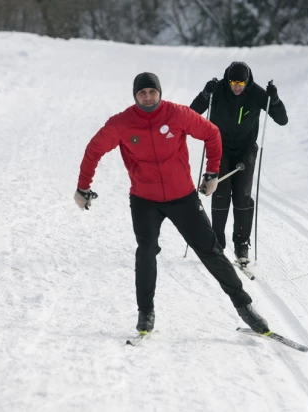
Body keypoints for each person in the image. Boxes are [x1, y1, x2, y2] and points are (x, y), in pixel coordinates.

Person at [74, 72, 269, 335]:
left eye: (152, 92)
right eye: (142, 93)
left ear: (159, 92)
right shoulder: (122, 123)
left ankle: (245, 307)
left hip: (183, 198)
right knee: (146, 252)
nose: (147, 97)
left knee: (210, 250)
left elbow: (212, 134)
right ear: (135, 96)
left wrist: (212, 173)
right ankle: (146, 313)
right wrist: (83, 186)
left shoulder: (176, 114)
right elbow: (94, 149)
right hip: (144, 200)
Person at [190, 61, 288, 266]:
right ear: (228, 80)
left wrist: (275, 99)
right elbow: (192, 113)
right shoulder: (218, 90)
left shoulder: (257, 93)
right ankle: (217, 242)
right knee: (221, 192)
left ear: (247, 81)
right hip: (220, 148)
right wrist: (205, 94)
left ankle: (242, 243)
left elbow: (282, 119)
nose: (237, 87)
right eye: (234, 82)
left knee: (242, 196)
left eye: (241, 83)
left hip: (245, 150)